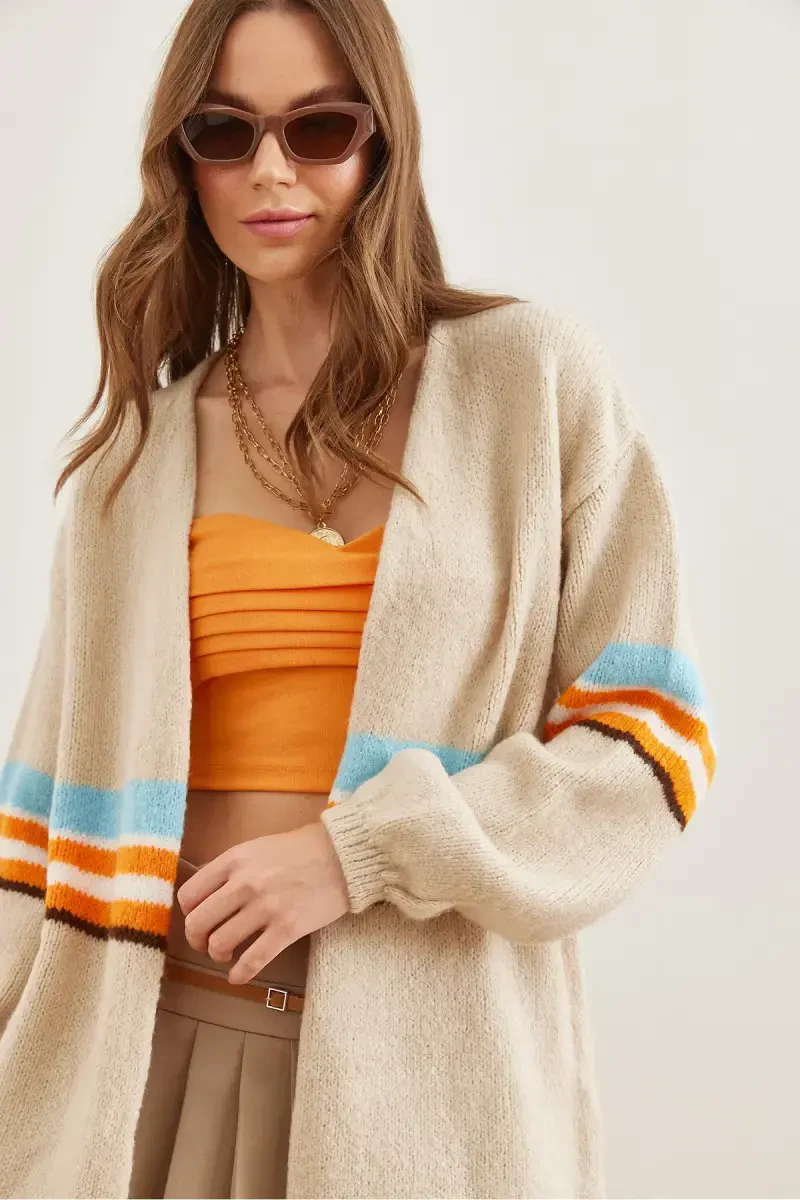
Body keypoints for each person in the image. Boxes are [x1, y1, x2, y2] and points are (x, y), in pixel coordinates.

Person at [0, 0, 718, 1197]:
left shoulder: (526, 386)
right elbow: (38, 815)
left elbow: (648, 741)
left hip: (425, 1084)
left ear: (381, 140)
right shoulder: (137, 458)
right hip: (147, 1068)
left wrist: (361, 851)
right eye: (223, 132)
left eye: (317, 127)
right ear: (182, 158)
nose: (269, 170)